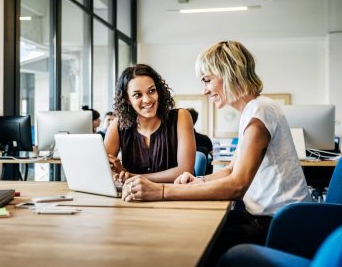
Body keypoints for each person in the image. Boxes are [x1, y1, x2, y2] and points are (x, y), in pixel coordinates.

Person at [120, 41, 311, 264]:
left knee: (194, 245)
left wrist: (161, 191)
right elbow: (231, 170)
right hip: (265, 218)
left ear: (229, 73)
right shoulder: (254, 110)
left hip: (279, 224)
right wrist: (197, 180)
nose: (205, 90)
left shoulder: (260, 111)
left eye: (207, 80)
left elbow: (237, 186)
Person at [104, 63, 196, 183]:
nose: (147, 100)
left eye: (152, 91)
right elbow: (102, 168)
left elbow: (185, 171)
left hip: (174, 198)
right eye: (137, 95)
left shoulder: (181, 117)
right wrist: (115, 172)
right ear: (127, 99)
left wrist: (131, 177)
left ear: (159, 91)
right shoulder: (118, 125)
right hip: (133, 199)